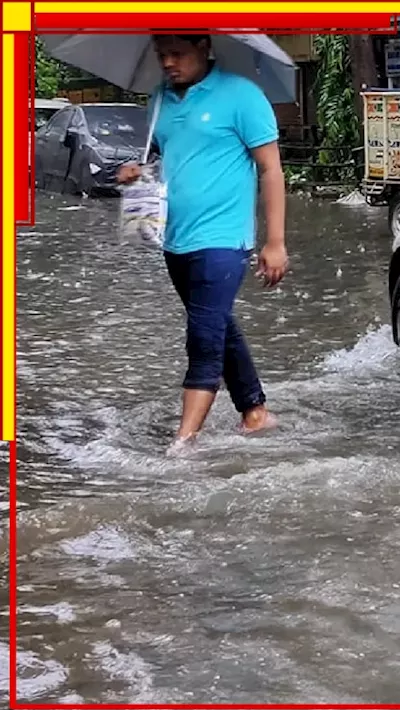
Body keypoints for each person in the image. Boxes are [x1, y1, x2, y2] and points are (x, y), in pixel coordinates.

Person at [117, 34, 289, 450]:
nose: (169, 63)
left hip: (225, 238)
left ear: (203, 47)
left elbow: (270, 170)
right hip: (175, 238)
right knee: (216, 322)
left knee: (203, 335)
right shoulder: (159, 100)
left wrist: (275, 242)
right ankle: (255, 413)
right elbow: (166, 157)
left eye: (178, 54)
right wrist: (136, 171)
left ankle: (183, 444)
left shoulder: (242, 96)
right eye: (162, 56)